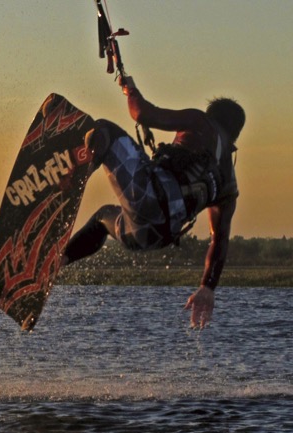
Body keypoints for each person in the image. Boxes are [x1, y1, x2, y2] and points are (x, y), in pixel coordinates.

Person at [62, 76, 245, 329]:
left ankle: (68, 184)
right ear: (235, 135)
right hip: (154, 235)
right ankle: (58, 261)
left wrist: (130, 89)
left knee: (103, 130)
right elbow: (219, 240)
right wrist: (207, 287)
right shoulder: (228, 185)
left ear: (211, 116)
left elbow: (142, 114)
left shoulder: (201, 123)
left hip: (150, 197)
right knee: (103, 218)